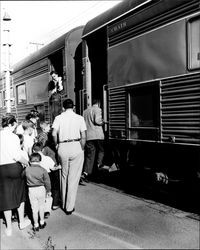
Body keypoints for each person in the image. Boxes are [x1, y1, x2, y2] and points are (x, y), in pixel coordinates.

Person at [52, 98, 86, 214]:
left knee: (64, 175)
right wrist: (82, 147)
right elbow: (84, 135)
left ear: (63, 107)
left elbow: (53, 133)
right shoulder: (80, 118)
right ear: (74, 107)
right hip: (76, 145)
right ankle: (69, 207)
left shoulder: (58, 118)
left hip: (63, 146)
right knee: (74, 178)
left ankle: (63, 203)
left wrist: (57, 145)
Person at [0, 114, 31, 236]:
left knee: (5, 197)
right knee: (20, 194)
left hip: (1, 169)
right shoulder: (13, 137)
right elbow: (17, 156)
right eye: (15, 125)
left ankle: (8, 228)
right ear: (11, 124)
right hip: (14, 167)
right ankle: (21, 222)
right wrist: (27, 163)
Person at [24, 153, 51, 232]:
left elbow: (22, 176)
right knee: (42, 206)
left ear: (30, 161)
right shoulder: (43, 170)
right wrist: (48, 190)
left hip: (31, 190)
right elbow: (47, 181)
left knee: (34, 208)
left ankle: (36, 225)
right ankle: (42, 222)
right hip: (41, 189)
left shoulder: (27, 169)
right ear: (40, 161)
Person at [32, 142, 61, 214]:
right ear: (42, 150)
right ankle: (52, 206)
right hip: (47, 177)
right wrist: (59, 167)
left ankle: (41, 209)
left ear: (33, 150)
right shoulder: (47, 158)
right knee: (50, 191)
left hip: (37, 178)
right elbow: (53, 168)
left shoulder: (32, 160)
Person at [82, 99, 105, 182]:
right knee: (101, 150)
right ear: (98, 103)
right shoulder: (98, 109)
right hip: (97, 135)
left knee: (90, 154)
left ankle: (86, 172)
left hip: (88, 136)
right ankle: (99, 164)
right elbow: (97, 121)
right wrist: (104, 122)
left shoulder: (85, 112)